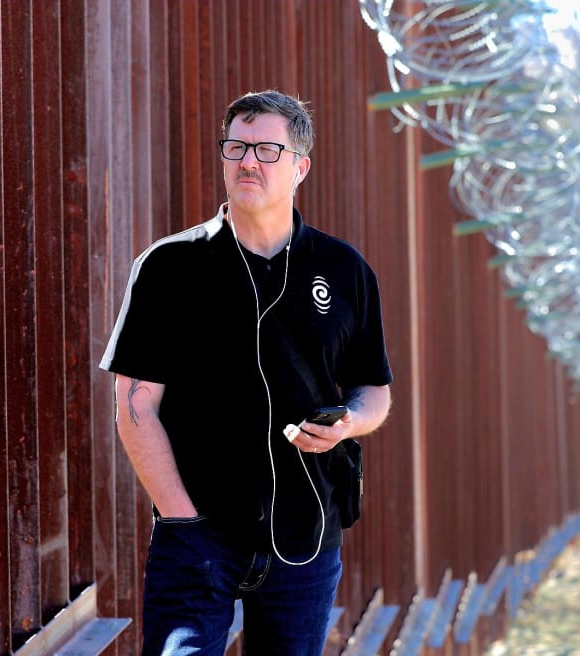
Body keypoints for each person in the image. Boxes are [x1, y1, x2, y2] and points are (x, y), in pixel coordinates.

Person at [100, 90, 392, 655]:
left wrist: (348, 422)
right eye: (236, 147)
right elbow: (135, 406)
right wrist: (181, 519)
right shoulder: (170, 267)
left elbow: (373, 389)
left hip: (304, 534)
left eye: (266, 149)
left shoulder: (343, 269)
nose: (247, 162)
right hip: (196, 534)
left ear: (300, 166)